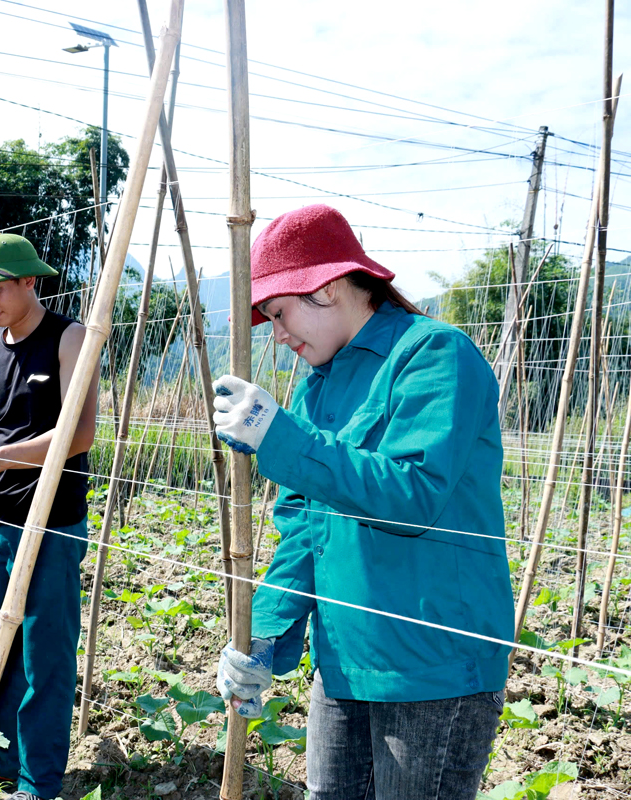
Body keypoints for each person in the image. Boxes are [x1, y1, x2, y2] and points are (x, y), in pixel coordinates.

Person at [211, 204, 514, 800]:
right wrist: (266, 634)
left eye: (279, 312)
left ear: (324, 287)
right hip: (345, 658)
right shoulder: (317, 386)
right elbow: (304, 525)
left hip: (432, 664)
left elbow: (414, 493)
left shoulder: (433, 356)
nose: (278, 334)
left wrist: (281, 439)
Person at [0, 233, 97, 800]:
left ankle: (38, 780)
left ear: (30, 281)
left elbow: (78, 435)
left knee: (46, 652)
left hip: (53, 520)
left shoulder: (69, 338)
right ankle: (0, 759)